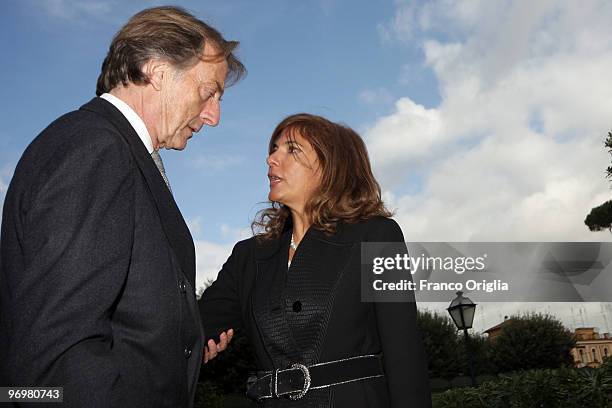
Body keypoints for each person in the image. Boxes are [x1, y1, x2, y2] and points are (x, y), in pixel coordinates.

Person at [0, 6, 244, 407]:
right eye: (208, 92)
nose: (214, 116)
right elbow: (54, 359)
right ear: (157, 70)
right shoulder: (95, 150)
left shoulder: (116, 153)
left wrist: (182, 337)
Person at [199, 114, 431, 407]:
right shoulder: (248, 256)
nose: (271, 159)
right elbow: (192, 327)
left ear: (330, 167)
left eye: (292, 149)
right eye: (273, 149)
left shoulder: (378, 235)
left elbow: (405, 356)